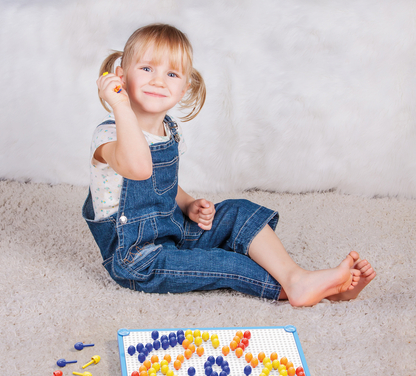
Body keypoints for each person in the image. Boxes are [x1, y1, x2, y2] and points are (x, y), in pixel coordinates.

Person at [82, 23, 376, 307]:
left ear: (184, 88)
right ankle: (298, 290)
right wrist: (120, 104)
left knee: (237, 211)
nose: (158, 80)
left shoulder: (169, 129)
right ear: (121, 77)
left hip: (172, 229)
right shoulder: (108, 136)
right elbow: (139, 169)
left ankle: (297, 277)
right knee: (223, 263)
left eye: (171, 74)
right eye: (147, 69)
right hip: (138, 258)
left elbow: (161, 185)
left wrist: (188, 204)